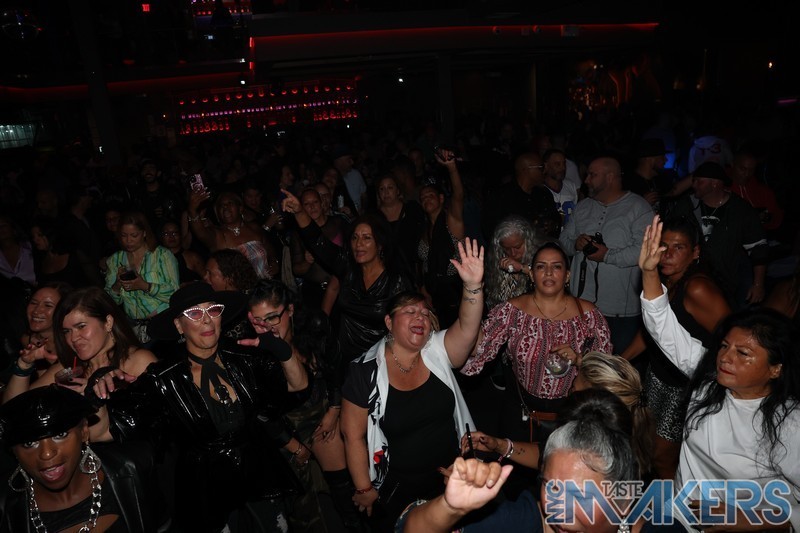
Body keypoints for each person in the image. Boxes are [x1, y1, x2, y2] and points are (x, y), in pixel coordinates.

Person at [639, 214, 800, 531]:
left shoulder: (790, 422)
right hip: (680, 518)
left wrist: (753, 519)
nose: (725, 357)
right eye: (725, 346)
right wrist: (648, 271)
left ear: (776, 368)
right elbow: (662, 327)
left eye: (743, 354)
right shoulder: (708, 381)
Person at [116, 282, 304, 532]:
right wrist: (100, 390)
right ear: (178, 325)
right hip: (207, 490)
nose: (206, 320)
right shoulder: (164, 378)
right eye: (194, 313)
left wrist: (282, 350)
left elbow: (298, 384)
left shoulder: (244, 357)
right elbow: (114, 428)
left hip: (257, 476)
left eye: (213, 310)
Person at [341, 238, 485, 531]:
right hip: (398, 489)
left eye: (424, 313)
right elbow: (352, 435)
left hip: (451, 477)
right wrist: (363, 487)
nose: (419, 316)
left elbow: (467, 328)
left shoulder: (438, 350)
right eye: (409, 311)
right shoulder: (365, 371)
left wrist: (472, 286)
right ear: (389, 322)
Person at [398, 389, 671, 533]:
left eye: (582, 496)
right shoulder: (525, 519)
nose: (559, 513)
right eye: (551, 487)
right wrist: (451, 508)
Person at [461, 242, 612, 453]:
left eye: (556, 266)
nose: (548, 272)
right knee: (514, 464)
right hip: (521, 411)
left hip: (573, 414)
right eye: (541, 266)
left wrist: (579, 359)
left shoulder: (588, 315)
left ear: (567, 275)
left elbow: (607, 372)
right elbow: (475, 352)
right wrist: (472, 292)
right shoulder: (512, 311)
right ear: (531, 274)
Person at [247, 279, 365, 532]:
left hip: (321, 414)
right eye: (258, 321)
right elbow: (260, 412)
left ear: (290, 310)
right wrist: (293, 445)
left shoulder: (315, 325)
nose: (266, 327)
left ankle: (354, 524)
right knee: (302, 506)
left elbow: (336, 367)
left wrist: (334, 409)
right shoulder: (255, 350)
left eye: (272, 317)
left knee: (343, 487)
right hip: (283, 426)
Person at [620, 215, 730, 479]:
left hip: (684, 387)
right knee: (646, 446)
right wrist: (619, 361)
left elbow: (733, 337)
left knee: (663, 458)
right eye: (664, 246)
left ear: (695, 252)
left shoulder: (697, 288)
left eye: (678, 247)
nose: (667, 255)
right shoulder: (668, 281)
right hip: (658, 377)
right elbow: (654, 329)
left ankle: (674, 504)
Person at [3, 287, 158, 444]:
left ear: (108, 322)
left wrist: (93, 400)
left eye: (81, 326)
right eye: (66, 331)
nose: (73, 338)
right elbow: (14, 412)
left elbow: (155, 426)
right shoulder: (69, 370)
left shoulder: (138, 361)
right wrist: (24, 366)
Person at [0, 385, 164, 532]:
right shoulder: (5, 508)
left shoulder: (134, 467)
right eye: (29, 443)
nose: (47, 453)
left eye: (60, 434)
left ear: (84, 431)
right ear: (13, 451)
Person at [282, 191, 415, 367]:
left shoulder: (396, 281)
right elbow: (318, 242)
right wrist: (300, 211)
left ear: (380, 244)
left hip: (382, 360)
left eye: (367, 238)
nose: (359, 244)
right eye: (355, 238)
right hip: (346, 359)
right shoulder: (347, 267)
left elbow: (410, 327)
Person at [559, 156, 653, 355]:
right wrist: (576, 244)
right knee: (579, 362)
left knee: (613, 367)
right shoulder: (583, 206)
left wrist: (607, 255)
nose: (586, 180)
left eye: (592, 175)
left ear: (610, 177)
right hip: (580, 306)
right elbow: (563, 242)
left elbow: (645, 250)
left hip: (620, 313)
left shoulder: (639, 208)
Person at [666, 161, 768, 310]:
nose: (694, 185)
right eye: (694, 181)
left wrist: (758, 284)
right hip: (687, 283)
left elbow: (758, 248)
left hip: (725, 286)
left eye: (699, 181)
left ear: (714, 183)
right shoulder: (686, 205)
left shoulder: (740, 210)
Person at [104, 210, 180, 346]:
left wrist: (144, 285)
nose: (128, 241)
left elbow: (175, 293)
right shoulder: (115, 260)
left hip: (162, 322)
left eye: (134, 235)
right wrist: (117, 284)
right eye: (124, 235)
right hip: (134, 327)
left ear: (144, 233)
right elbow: (110, 301)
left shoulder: (162, 255)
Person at [418, 147, 467, 326]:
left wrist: (451, 168)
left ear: (440, 198)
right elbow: (424, 263)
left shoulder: (451, 220)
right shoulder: (425, 229)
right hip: (434, 295)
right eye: (423, 198)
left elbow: (458, 195)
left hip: (455, 292)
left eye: (430, 195)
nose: (426, 199)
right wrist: (423, 288)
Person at [187, 188, 279, 279]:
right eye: (221, 205)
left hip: (264, 284)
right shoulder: (216, 235)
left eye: (230, 203)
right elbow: (200, 232)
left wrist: (273, 261)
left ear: (240, 208)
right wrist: (192, 211)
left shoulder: (254, 228)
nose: (225, 207)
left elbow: (268, 247)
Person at [373, 174, 426, 285]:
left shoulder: (412, 209)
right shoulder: (374, 217)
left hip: (412, 270)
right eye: (382, 189)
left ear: (397, 190)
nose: (386, 192)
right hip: (386, 273)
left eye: (390, 187)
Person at [16, 281, 73, 379]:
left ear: (64, 310)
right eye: (34, 303)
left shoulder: (73, 345)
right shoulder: (29, 342)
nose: (36, 310)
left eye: (48, 305)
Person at [484, 215, 541, 311]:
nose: (513, 253)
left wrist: (522, 268)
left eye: (517, 247)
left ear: (527, 241)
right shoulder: (497, 259)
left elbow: (546, 280)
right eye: (507, 248)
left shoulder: (542, 254)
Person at [30, 216, 103, 287]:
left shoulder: (74, 254)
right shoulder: (39, 260)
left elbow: (95, 280)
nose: (35, 239)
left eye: (40, 235)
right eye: (33, 236)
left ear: (50, 234)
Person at [158, 219, 205, 285]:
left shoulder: (192, 257)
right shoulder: (157, 258)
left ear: (180, 235)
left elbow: (208, 279)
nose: (171, 236)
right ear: (161, 237)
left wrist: (189, 284)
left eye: (175, 233)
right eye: (166, 234)